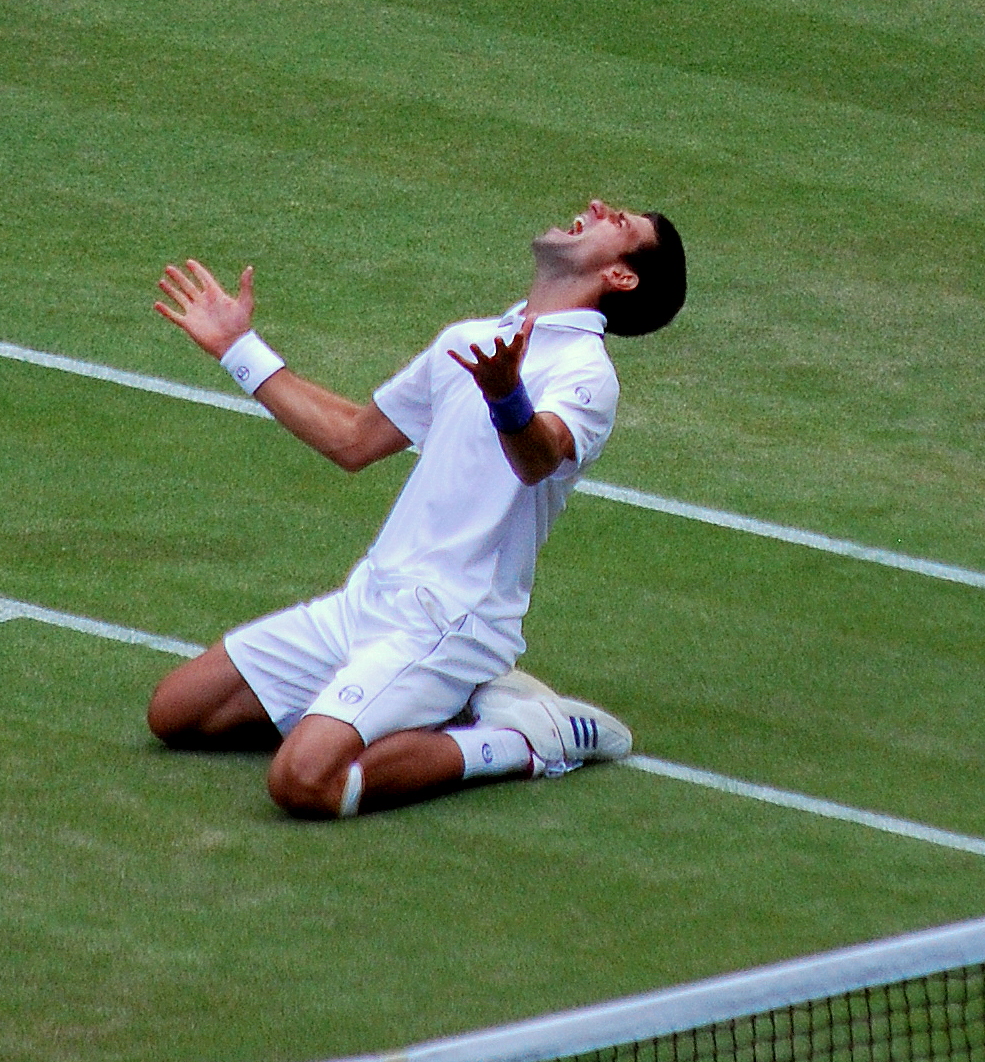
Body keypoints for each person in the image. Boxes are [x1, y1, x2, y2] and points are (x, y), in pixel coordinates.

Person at [145, 199, 686, 818]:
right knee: (177, 712)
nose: (596, 206)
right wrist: (238, 347)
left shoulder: (587, 373)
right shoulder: (471, 341)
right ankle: (407, 704)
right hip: (368, 601)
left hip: (452, 622)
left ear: (621, 277)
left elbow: (539, 458)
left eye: (620, 222)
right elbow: (353, 439)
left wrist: (509, 396)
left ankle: (525, 740)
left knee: (303, 781)